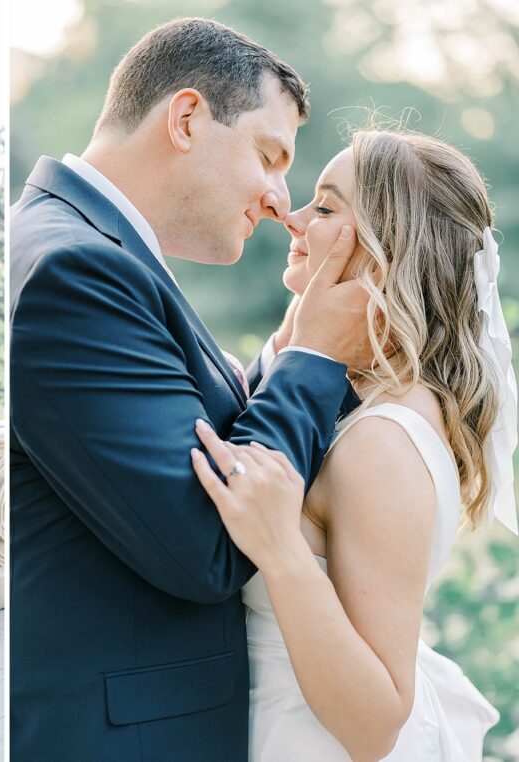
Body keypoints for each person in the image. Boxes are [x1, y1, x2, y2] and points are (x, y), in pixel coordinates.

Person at [9, 17, 371, 759]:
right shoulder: (75, 272)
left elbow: (196, 429)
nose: (281, 200)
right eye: (271, 157)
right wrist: (317, 357)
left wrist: (284, 351)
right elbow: (208, 543)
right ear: (186, 118)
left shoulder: (94, 249)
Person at [191, 129, 513, 760]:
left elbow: (375, 723)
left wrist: (282, 551)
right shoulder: (354, 392)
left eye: (327, 207)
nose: (294, 217)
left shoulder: (383, 443)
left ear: (381, 255)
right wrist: (296, 345)